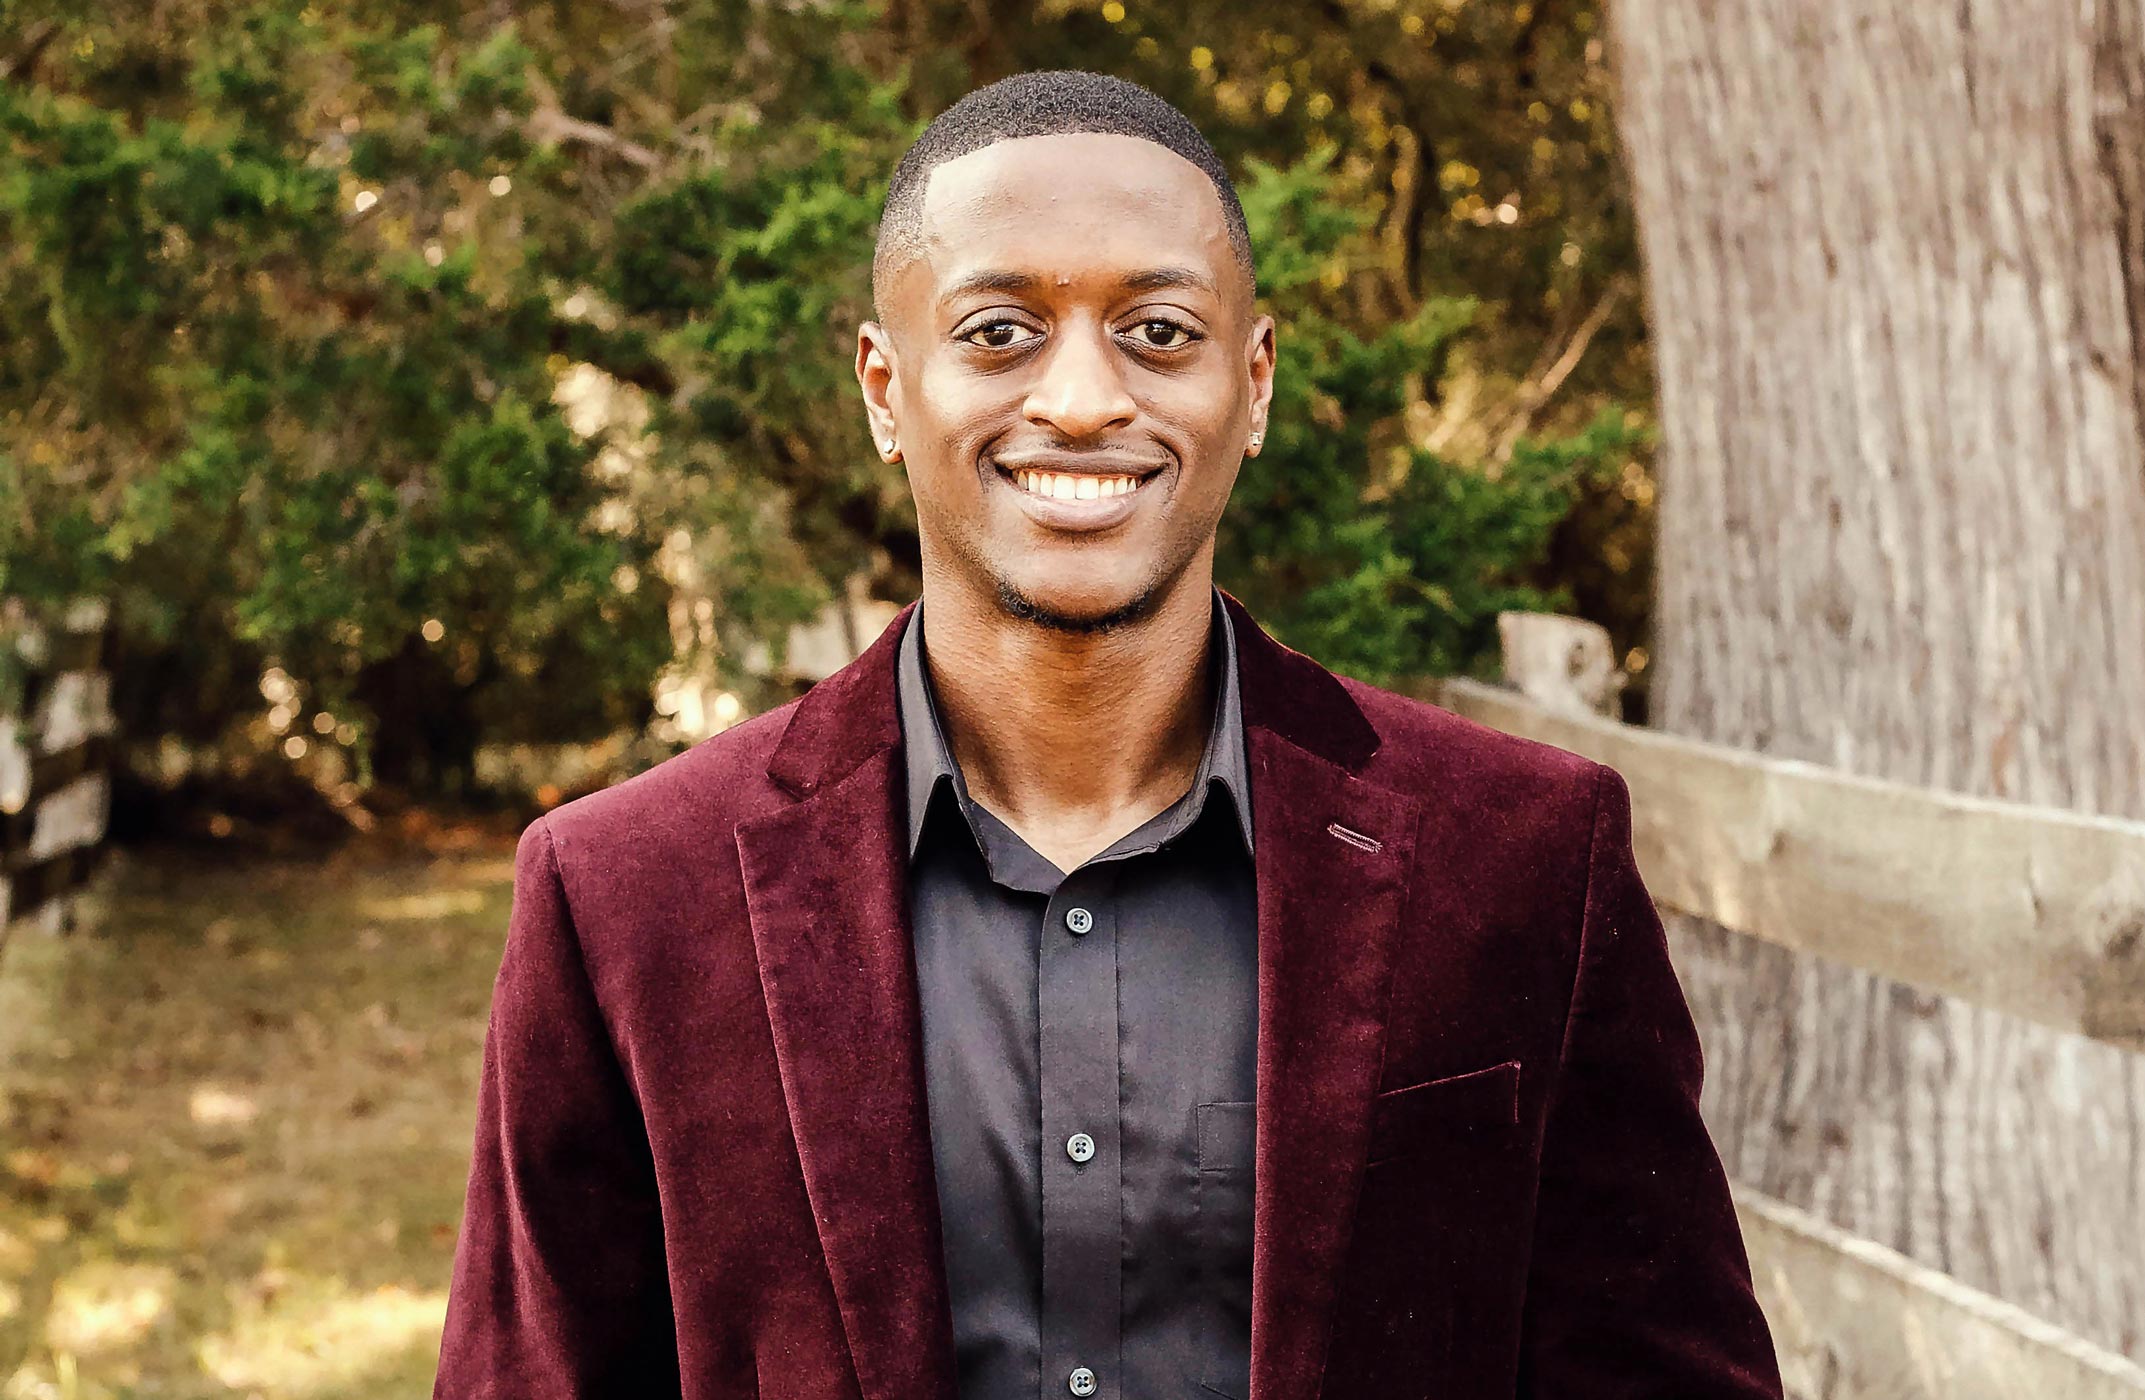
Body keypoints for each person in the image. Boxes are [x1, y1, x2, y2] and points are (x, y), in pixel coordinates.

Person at [432, 68, 1781, 1400]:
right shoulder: (622, 899)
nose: (1081, 398)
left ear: (1252, 387)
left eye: (1158, 331)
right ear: (884, 387)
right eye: (1000, 330)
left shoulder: (1528, 859)